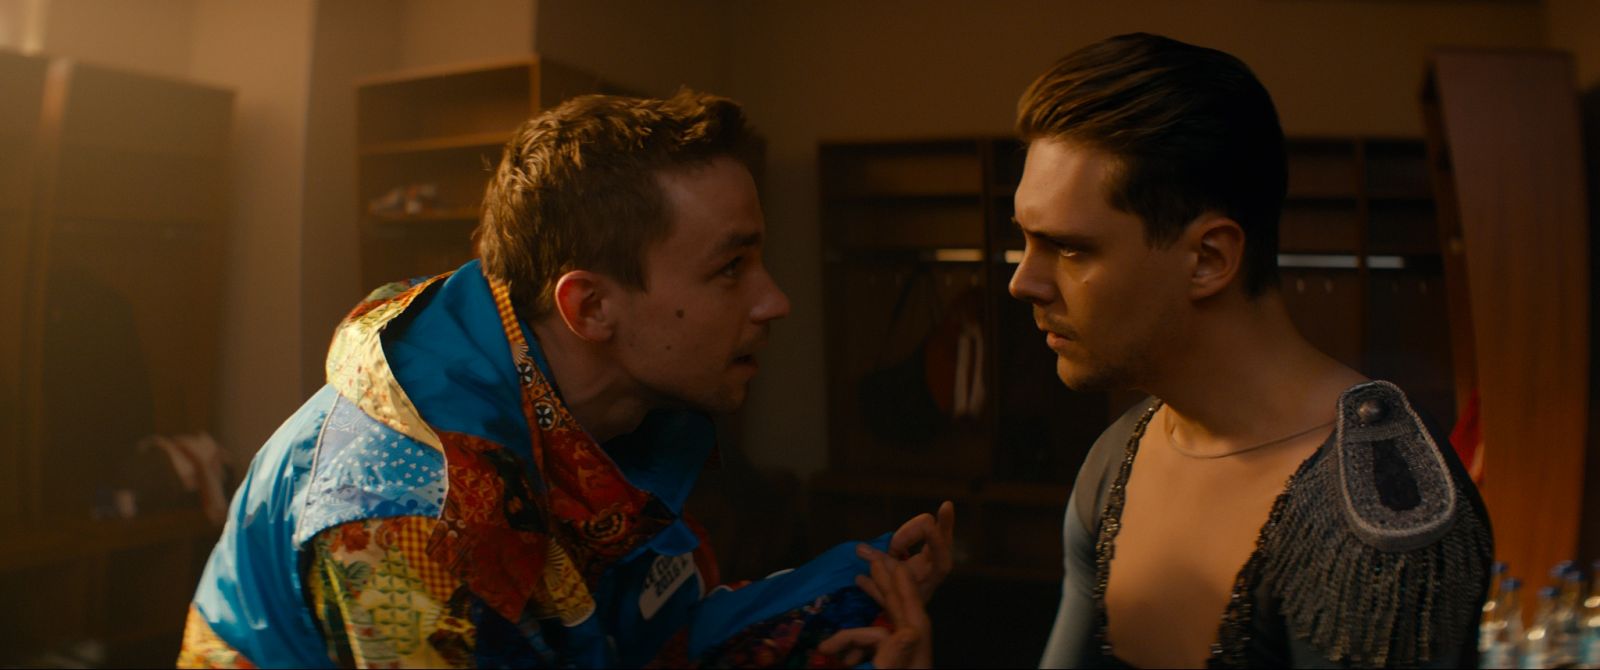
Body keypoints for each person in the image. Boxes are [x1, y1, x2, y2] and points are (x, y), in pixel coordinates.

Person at [177, 89, 950, 668]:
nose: (774, 301)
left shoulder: (595, 407)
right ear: (591, 307)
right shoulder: (406, 522)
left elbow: (650, 638)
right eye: (730, 268)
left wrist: (852, 589)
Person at [1008, 34, 1494, 668]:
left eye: (1070, 248)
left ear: (1209, 259)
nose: (1023, 282)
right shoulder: (1114, 461)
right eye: (1025, 240)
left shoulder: (1380, 515)